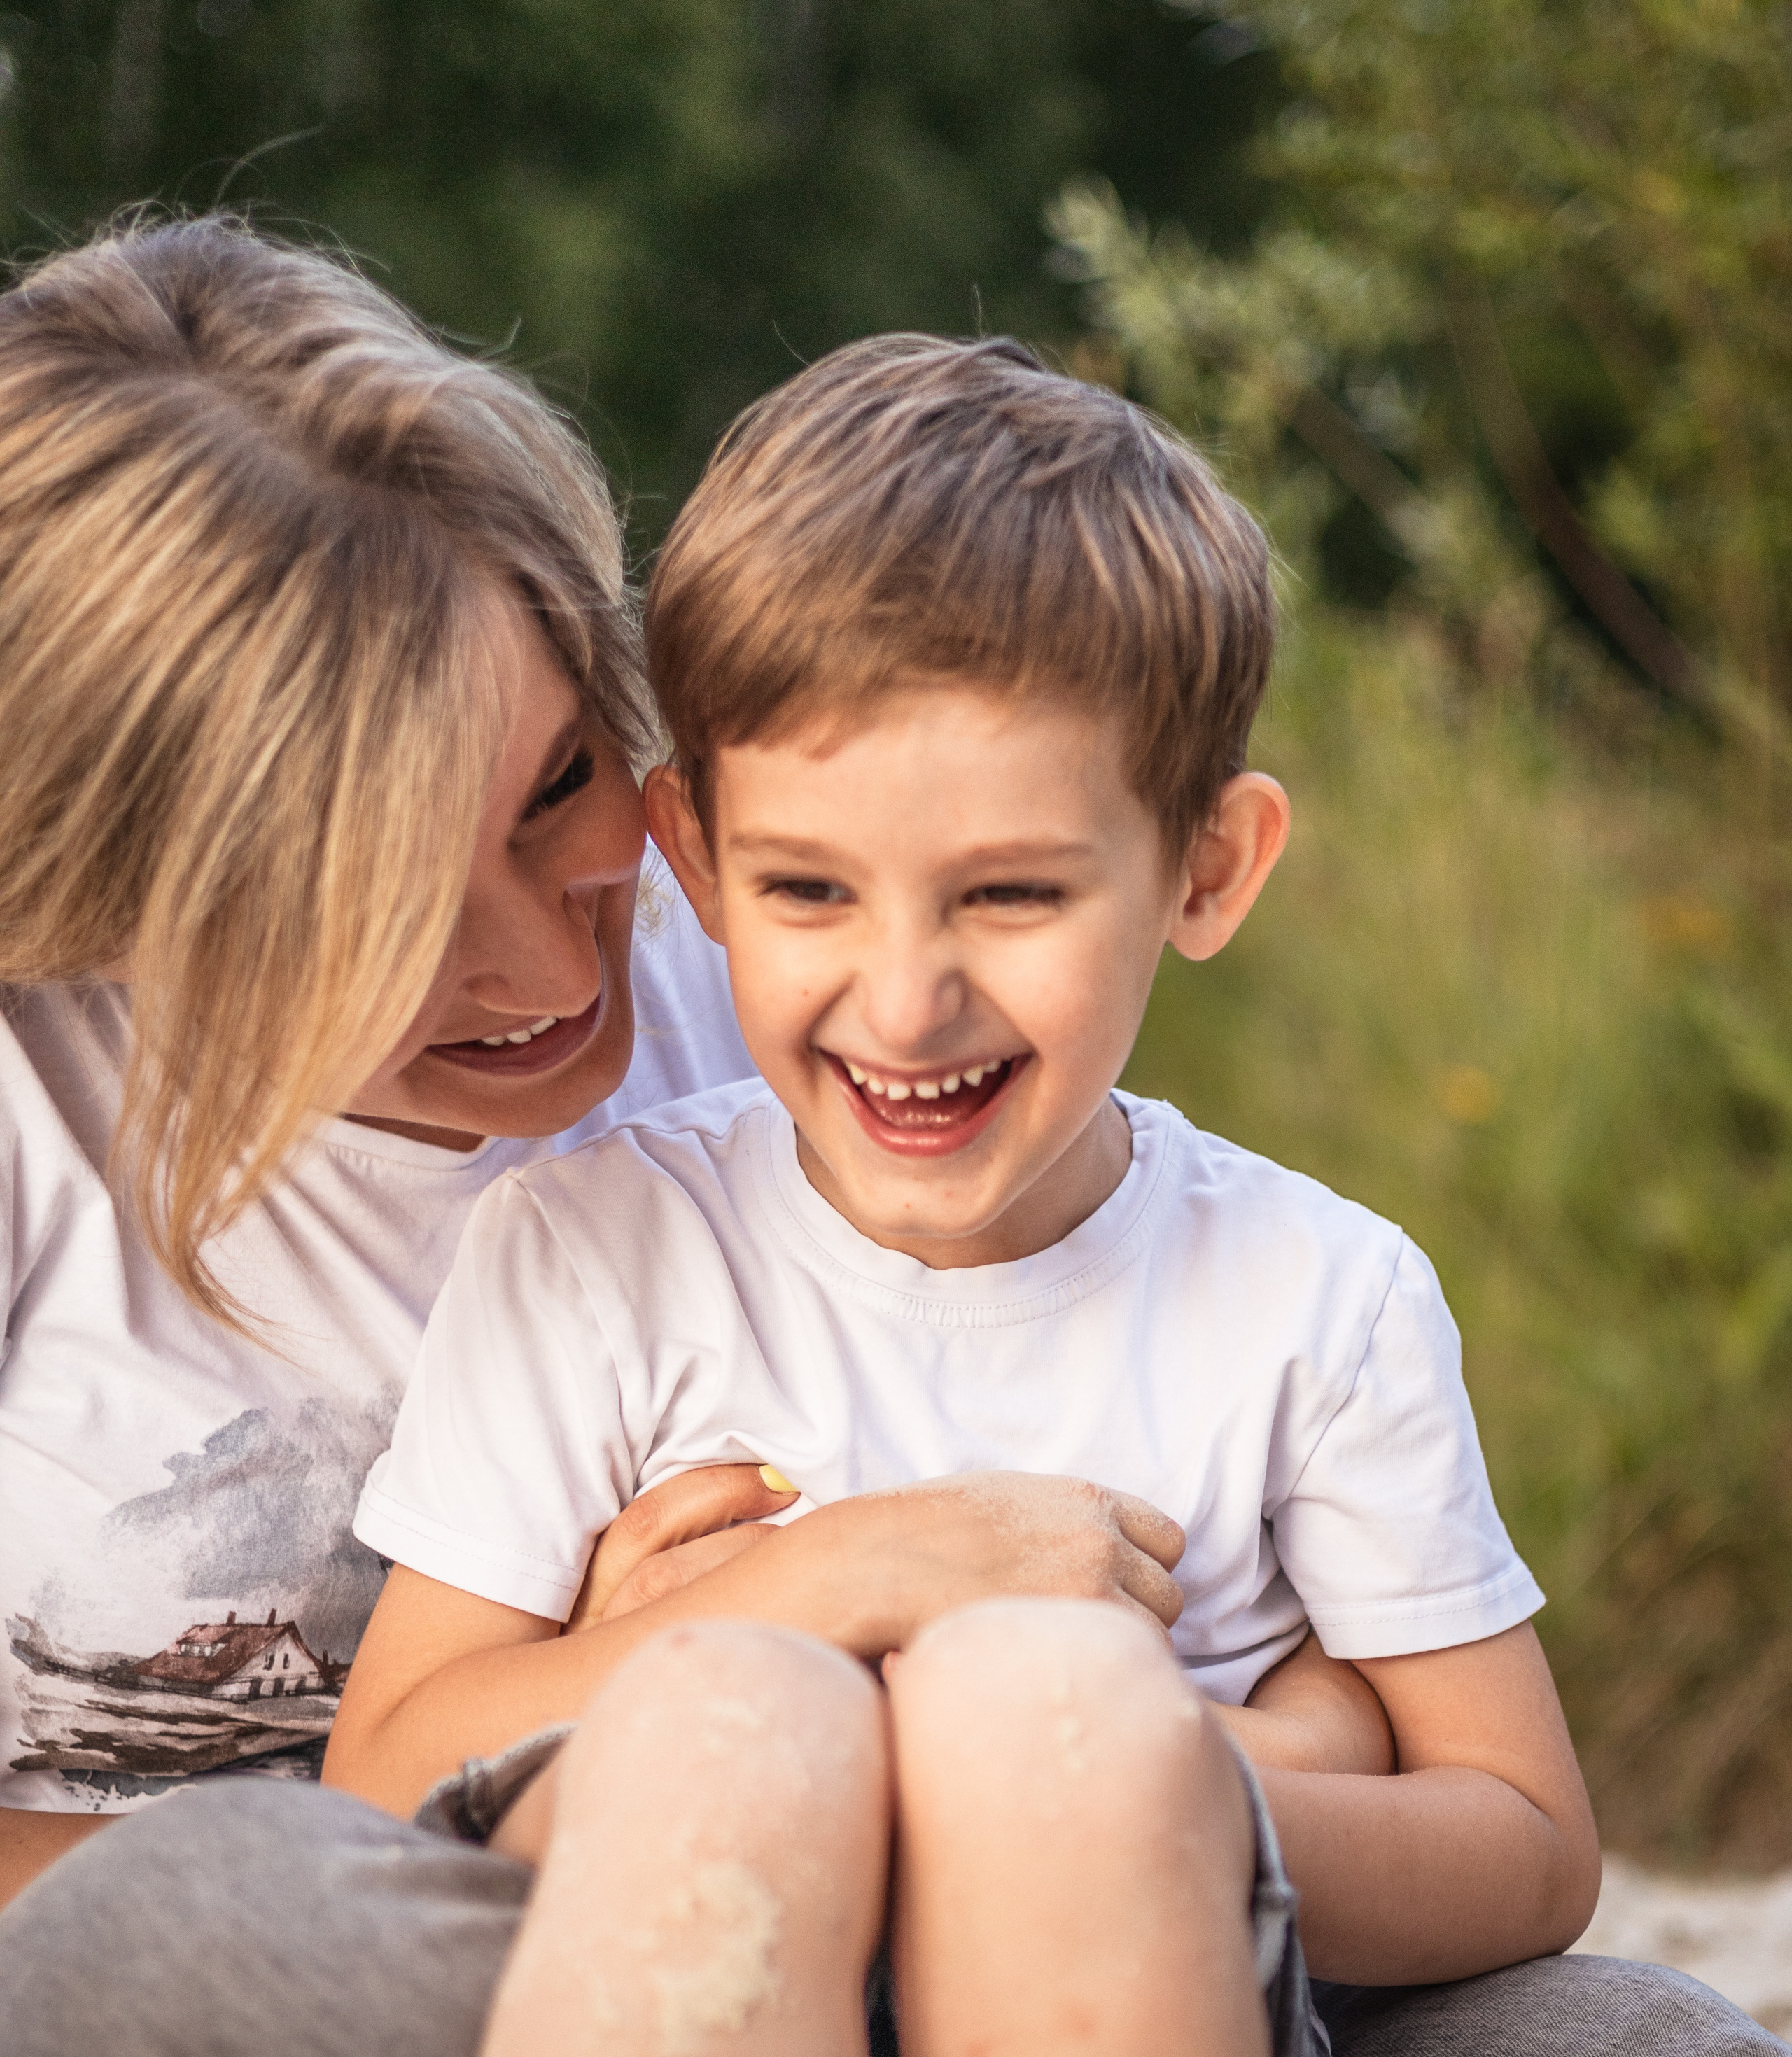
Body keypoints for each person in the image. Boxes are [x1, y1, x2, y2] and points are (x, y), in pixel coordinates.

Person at [0, 221, 1774, 2057]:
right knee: (335, 1872)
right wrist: (787, 1625)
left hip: (1100, 1915)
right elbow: (410, 1788)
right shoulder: (571, 1233)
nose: (554, 963)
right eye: (365, 908)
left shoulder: (833, 969)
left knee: (1636, 2032)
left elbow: (1484, 1818)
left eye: (554, 788)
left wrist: (1176, 1773)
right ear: (121, 901)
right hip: (399, 1929)